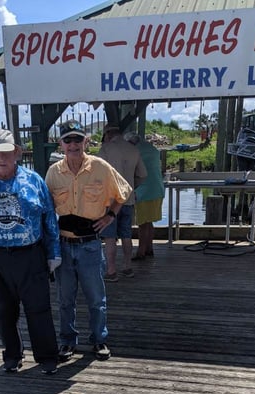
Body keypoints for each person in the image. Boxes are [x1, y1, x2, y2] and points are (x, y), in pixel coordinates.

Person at [0, 128, 61, 375]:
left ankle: (47, 356)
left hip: (31, 254)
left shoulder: (34, 180)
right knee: (3, 310)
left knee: (39, 308)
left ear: (16, 152)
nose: (1, 158)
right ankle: (12, 355)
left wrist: (54, 252)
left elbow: (49, 218)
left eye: (6, 152)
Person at [45, 120, 132, 362]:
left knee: (96, 298)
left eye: (77, 139)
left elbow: (124, 192)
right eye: (67, 140)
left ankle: (99, 339)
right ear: (61, 144)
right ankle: (67, 341)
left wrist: (110, 216)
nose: (73, 144)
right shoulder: (53, 172)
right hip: (63, 243)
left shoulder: (101, 167)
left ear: (86, 141)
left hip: (91, 245)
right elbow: (46, 208)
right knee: (65, 299)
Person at [97, 124, 147, 281]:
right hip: (128, 199)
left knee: (109, 237)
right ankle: (127, 267)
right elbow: (143, 174)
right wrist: (131, 188)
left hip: (109, 201)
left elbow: (97, 175)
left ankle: (111, 271)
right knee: (126, 234)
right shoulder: (134, 149)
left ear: (107, 135)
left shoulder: (105, 149)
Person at [124, 132, 165, 260]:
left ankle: (141, 252)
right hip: (158, 189)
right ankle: (149, 248)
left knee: (142, 224)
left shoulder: (135, 152)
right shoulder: (152, 149)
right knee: (149, 222)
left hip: (144, 191)